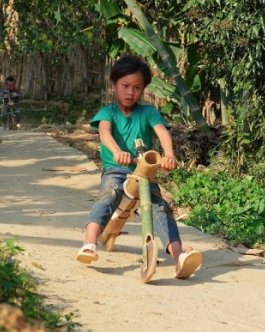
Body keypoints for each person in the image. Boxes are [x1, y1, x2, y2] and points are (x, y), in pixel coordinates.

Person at [76, 55, 202, 279]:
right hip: (116, 169)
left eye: (137, 87)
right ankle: (89, 243)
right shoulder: (108, 113)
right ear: (114, 85)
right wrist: (117, 152)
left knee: (160, 208)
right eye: (125, 86)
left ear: (143, 89)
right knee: (108, 195)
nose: (130, 92)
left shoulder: (149, 112)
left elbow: (162, 132)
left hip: (144, 171)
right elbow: (104, 132)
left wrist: (169, 154)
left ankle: (178, 257)